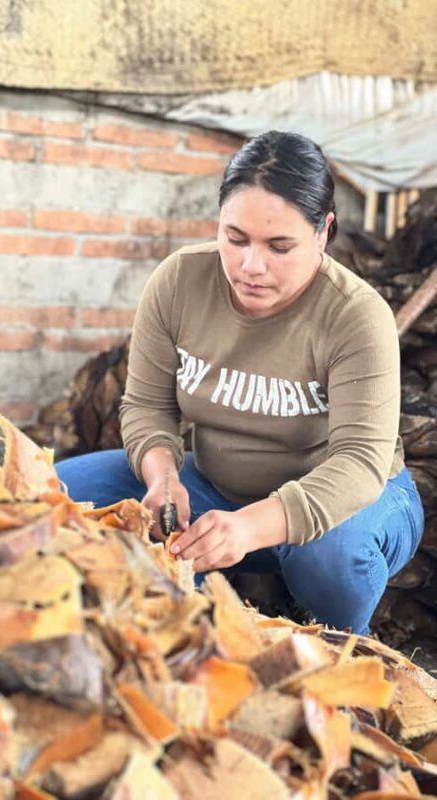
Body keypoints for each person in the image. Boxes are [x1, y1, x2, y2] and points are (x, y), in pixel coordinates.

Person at [57, 130, 424, 635]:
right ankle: (196, 628)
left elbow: (359, 463)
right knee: (55, 494)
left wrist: (251, 526)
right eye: (235, 239)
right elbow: (146, 407)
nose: (251, 267)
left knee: (329, 553)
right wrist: (163, 479)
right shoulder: (180, 282)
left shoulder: (356, 316)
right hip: (215, 490)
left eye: (280, 246)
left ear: (323, 233)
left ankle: (341, 653)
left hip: (354, 504)